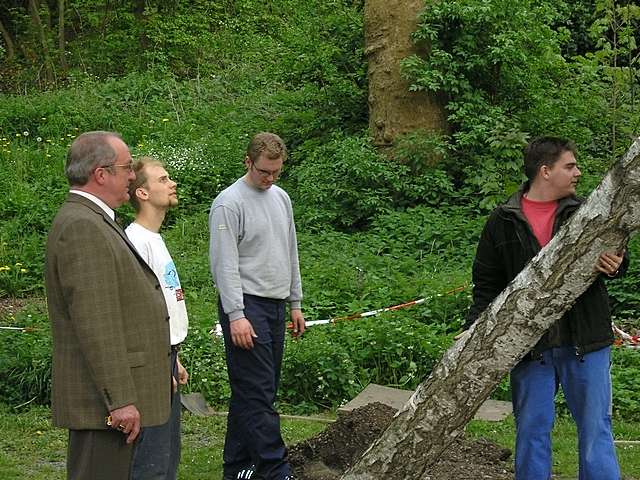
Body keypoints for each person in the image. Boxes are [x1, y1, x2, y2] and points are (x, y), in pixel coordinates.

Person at [465, 136, 629, 480]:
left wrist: (617, 263)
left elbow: (617, 256)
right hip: (529, 349)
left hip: (586, 342)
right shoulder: (502, 220)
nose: (578, 173)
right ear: (545, 171)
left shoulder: (587, 214)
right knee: (531, 433)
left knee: (595, 432)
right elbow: (486, 284)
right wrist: (472, 333)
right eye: (569, 166)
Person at [45, 131, 172, 480]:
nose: (132, 175)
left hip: (110, 400)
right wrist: (119, 400)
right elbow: (96, 323)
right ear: (101, 174)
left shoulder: (95, 220)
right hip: (101, 406)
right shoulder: (83, 226)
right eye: (126, 167)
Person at [209, 132, 304, 480]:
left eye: (277, 172)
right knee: (258, 392)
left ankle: (237, 468)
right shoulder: (228, 203)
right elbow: (224, 264)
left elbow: (289, 250)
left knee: (255, 391)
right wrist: (236, 315)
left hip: (277, 305)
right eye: (265, 171)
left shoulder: (281, 198)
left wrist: (296, 303)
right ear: (248, 162)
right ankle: (276, 470)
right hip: (246, 307)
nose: (270, 179)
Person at [126, 157, 190, 480]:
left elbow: (163, 304)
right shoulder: (136, 241)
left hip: (166, 356)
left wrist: (173, 358)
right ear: (142, 193)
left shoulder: (155, 239)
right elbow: (137, 313)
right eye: (163, 179)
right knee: (151, 461)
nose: (172, 183)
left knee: (168, 456)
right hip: (152, 362)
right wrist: (155, 364)